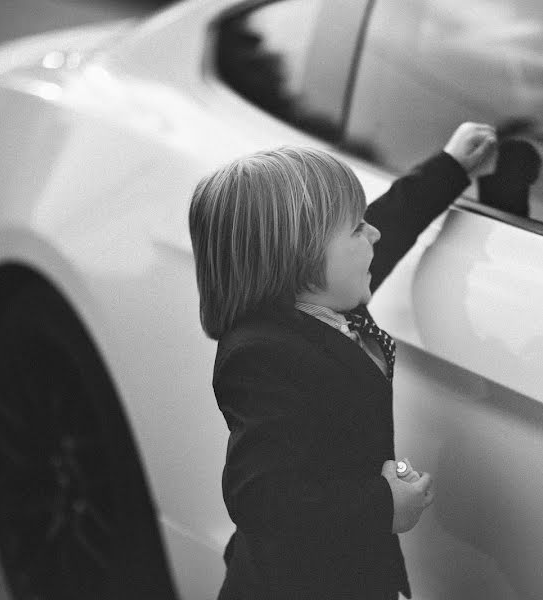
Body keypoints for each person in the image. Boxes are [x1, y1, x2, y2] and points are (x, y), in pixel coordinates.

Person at [188, 122, 497, 600]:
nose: (372, 231)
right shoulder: (261, 356)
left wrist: (450, 167)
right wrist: (383, 506)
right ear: (299, 256)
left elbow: (390, 222)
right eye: (355, 227)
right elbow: (264, 501)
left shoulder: (325, 299)